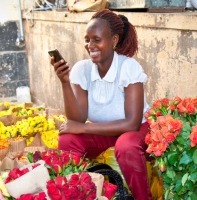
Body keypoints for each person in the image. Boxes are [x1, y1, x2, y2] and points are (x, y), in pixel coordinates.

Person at [50, 9, 152, 200]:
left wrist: (83, 128)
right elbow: (77, 118)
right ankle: (76, 193)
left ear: (114, 40)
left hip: (136, 132)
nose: (90, 45)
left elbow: (132, 124)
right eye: (87, 39)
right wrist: (65, 82)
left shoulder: (128, 67)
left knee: (126, 144)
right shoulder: (83, 69)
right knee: (67, 139)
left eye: (97, 39)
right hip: (103, 133)